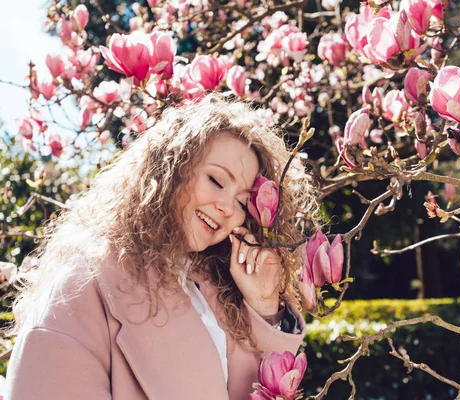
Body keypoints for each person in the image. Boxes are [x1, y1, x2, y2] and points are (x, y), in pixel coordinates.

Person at [4, 94, 318, 399]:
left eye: (242, 201)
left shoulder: (214, 287)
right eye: (217, 180)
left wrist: (263, 305)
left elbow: (254, 390)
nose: (226, 207)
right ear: (170, 169)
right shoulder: (82, 285)